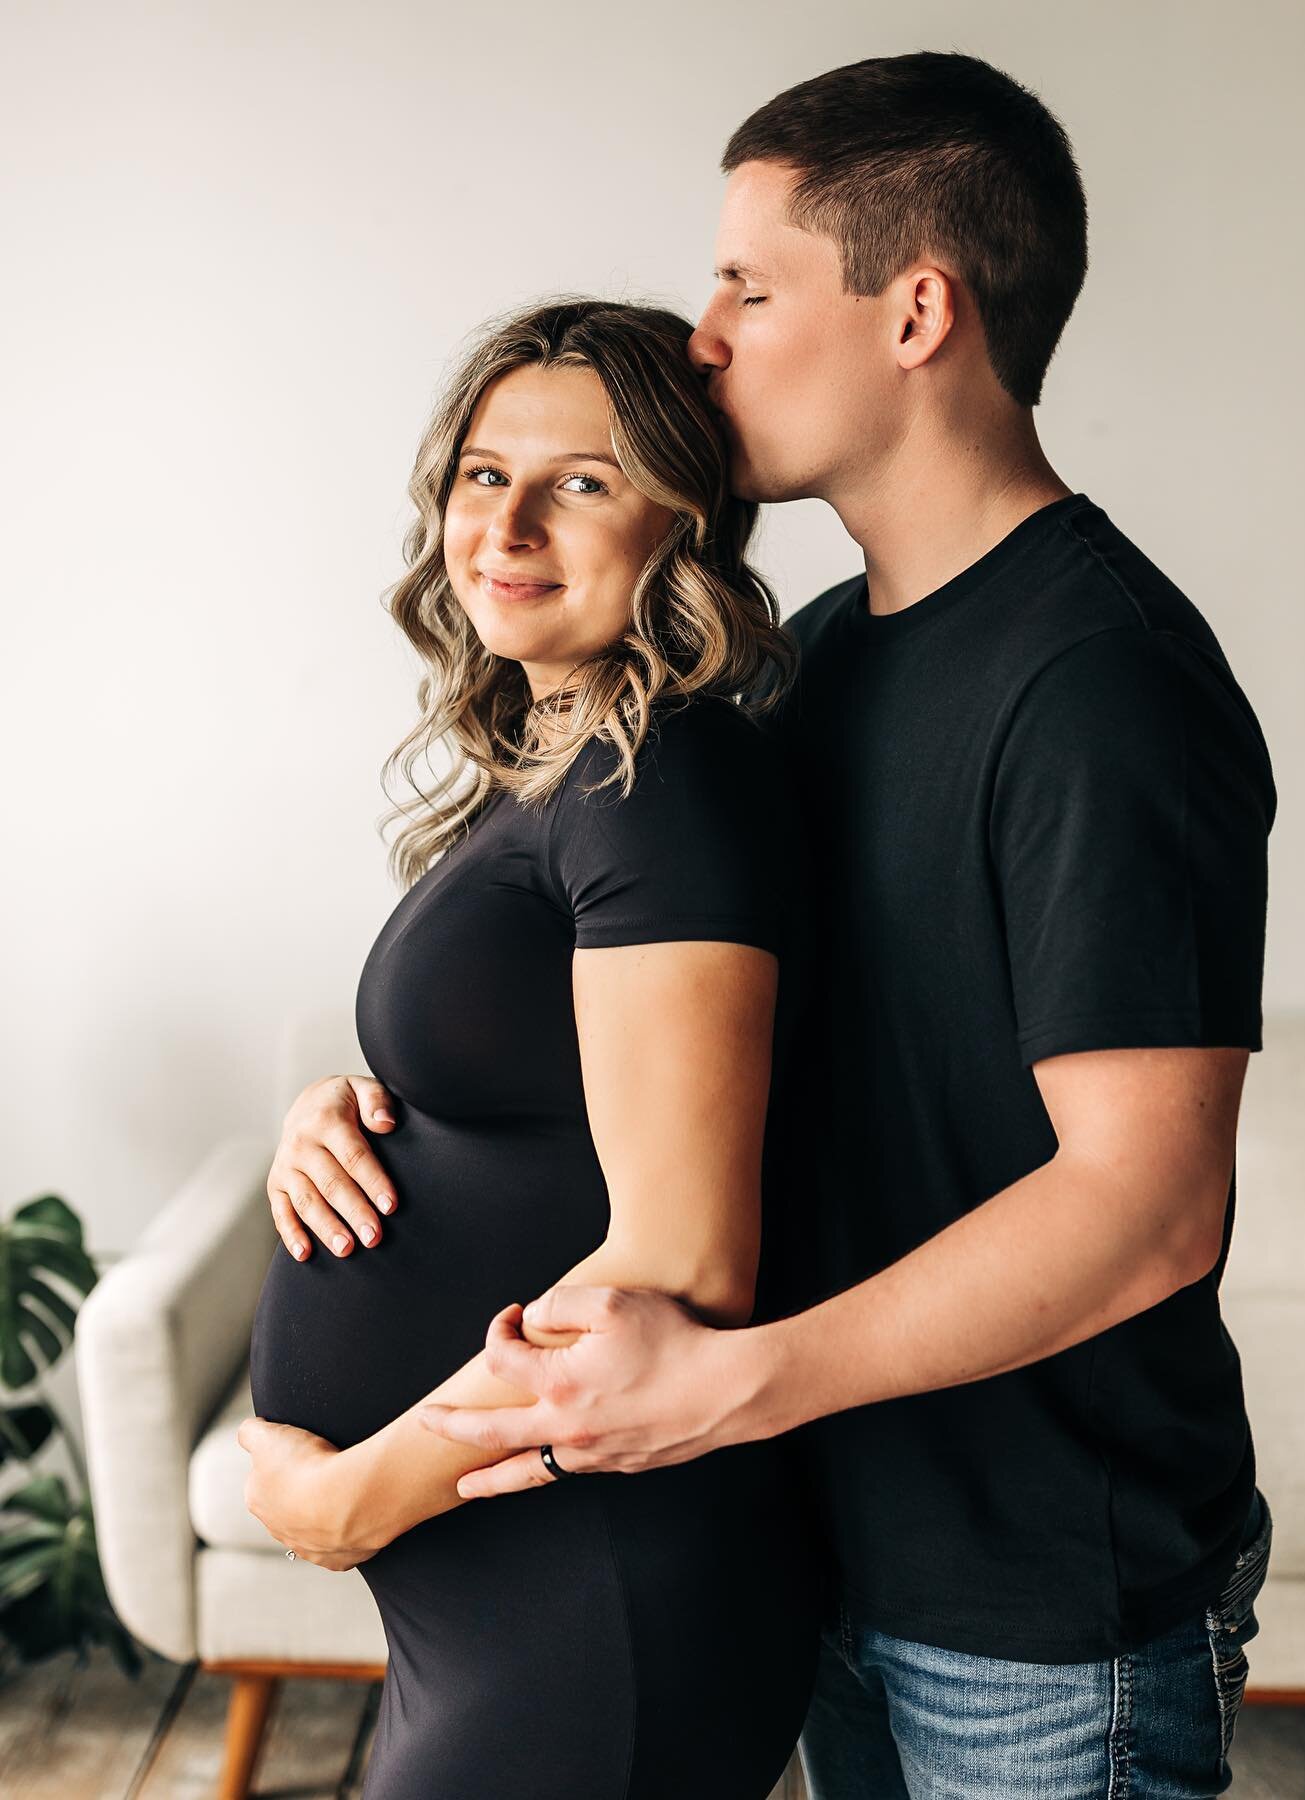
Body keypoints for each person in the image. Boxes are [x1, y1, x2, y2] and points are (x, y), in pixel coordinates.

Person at [258, 50, 1279, 1800]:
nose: (706, 335)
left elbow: (1151, 1203)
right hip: (829, 1556)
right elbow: (687, 1077)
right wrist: (372, 1121)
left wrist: (723, 1385)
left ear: (917, 312)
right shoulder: (823, 666)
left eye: (749, 281)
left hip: (1035, 1611)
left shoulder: (1102, 684)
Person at [239, 297, 825, 1800]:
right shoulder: (566, 760)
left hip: (597, 1589)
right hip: (514, 1584)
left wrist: (359, 1494)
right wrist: (352, 1111)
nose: (507, 522)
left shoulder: (665, 784)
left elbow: (683, 1263)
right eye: (485, 474)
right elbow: (542, 1108)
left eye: (582, 479)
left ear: (683, 522)